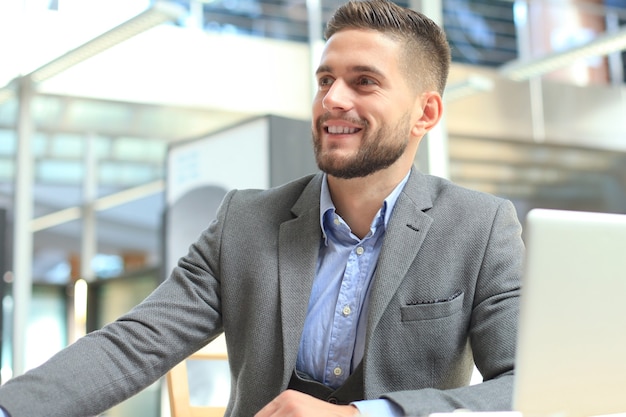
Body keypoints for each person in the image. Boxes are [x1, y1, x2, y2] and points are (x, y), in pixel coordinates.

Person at [0, 0, 524, 416]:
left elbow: (524, 385)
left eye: (363, 81)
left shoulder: (479, 227)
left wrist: (367, 414)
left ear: (425, 112)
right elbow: (134, 343)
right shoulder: (244, 223)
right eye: (325, 80)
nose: (332, 99)